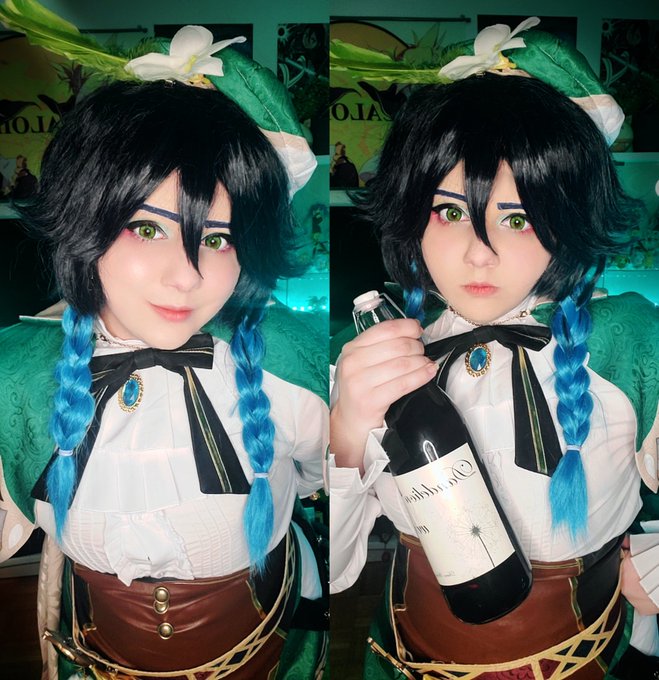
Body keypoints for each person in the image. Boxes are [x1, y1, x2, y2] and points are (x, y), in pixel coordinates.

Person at [0, 9, 328, 680]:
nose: (187, 276)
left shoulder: (295, 365)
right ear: (85, 220)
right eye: (148, 229)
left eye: (218, 239)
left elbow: (329, 476)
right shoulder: (15, 378)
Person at [329, 18, 659, 680]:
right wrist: (344, 433)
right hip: (409, 656)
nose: (479, 254)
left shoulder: (628, 338)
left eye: (518, 218)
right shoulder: (367, 354)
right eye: (450, 213)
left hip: (585, 658)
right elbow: (334, 570)